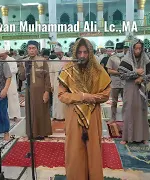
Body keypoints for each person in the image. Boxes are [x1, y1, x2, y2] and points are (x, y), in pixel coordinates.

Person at [58, 38, 111, 180]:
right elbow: (62, 95)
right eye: (79, 52)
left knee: (93, 150)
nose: (82, 56)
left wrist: (90, 98)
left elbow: (106, 95)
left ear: (90, 53)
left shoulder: (98, 70)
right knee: (75, 150)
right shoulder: (68, 69)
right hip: (73, 115)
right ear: (75, 53)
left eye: (85, 52)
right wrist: (81, 96)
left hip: (93, 116)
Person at [118, 39, 150, 145]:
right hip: (130, 88)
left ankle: (143, 137)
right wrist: (135, 73)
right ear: (132, 48)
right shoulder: (126, 59)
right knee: (129, 111)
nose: (138, 50)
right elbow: (122, 75)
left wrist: (142, 78)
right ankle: (126, 137)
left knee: (141, 111)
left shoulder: (146, 59)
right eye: (136, 48)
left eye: (140, 48)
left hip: (142, 88)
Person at [18, 40, 52, 140]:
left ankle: (42, 132)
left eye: (33, 48)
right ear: (27, 50)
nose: (31, 50)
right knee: (30, 112)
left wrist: (47, 92)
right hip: (29, 92)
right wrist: (22, 67)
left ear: (37, 49)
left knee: (41, 112)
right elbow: (22, 78)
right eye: (29, 48)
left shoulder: (42, 61)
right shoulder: (25, 62)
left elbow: (47, 78)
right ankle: (32, 133)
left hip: (41, 91)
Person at [0, 48, 21, 121]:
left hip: (11, 83)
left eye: (2, 56)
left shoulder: (11, 60)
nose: (1, 57)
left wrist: (6, 71)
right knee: (2, 99)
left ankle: (15, 116)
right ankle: (4, 115)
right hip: (1, 83)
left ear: (6, 54)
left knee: (12, 99)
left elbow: (15, 70)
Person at [106, 43, 125, 123]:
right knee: (114, 101)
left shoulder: (127, 58)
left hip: (125, 82)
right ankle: (113, 118)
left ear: (123, 49)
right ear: (116, 50)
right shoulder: (112, 58)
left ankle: (125, 118)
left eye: (121, 50)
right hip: (115, 82)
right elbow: (109, 70)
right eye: (118, 50)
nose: (120, 51)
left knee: (126, 102)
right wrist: (118, 72)